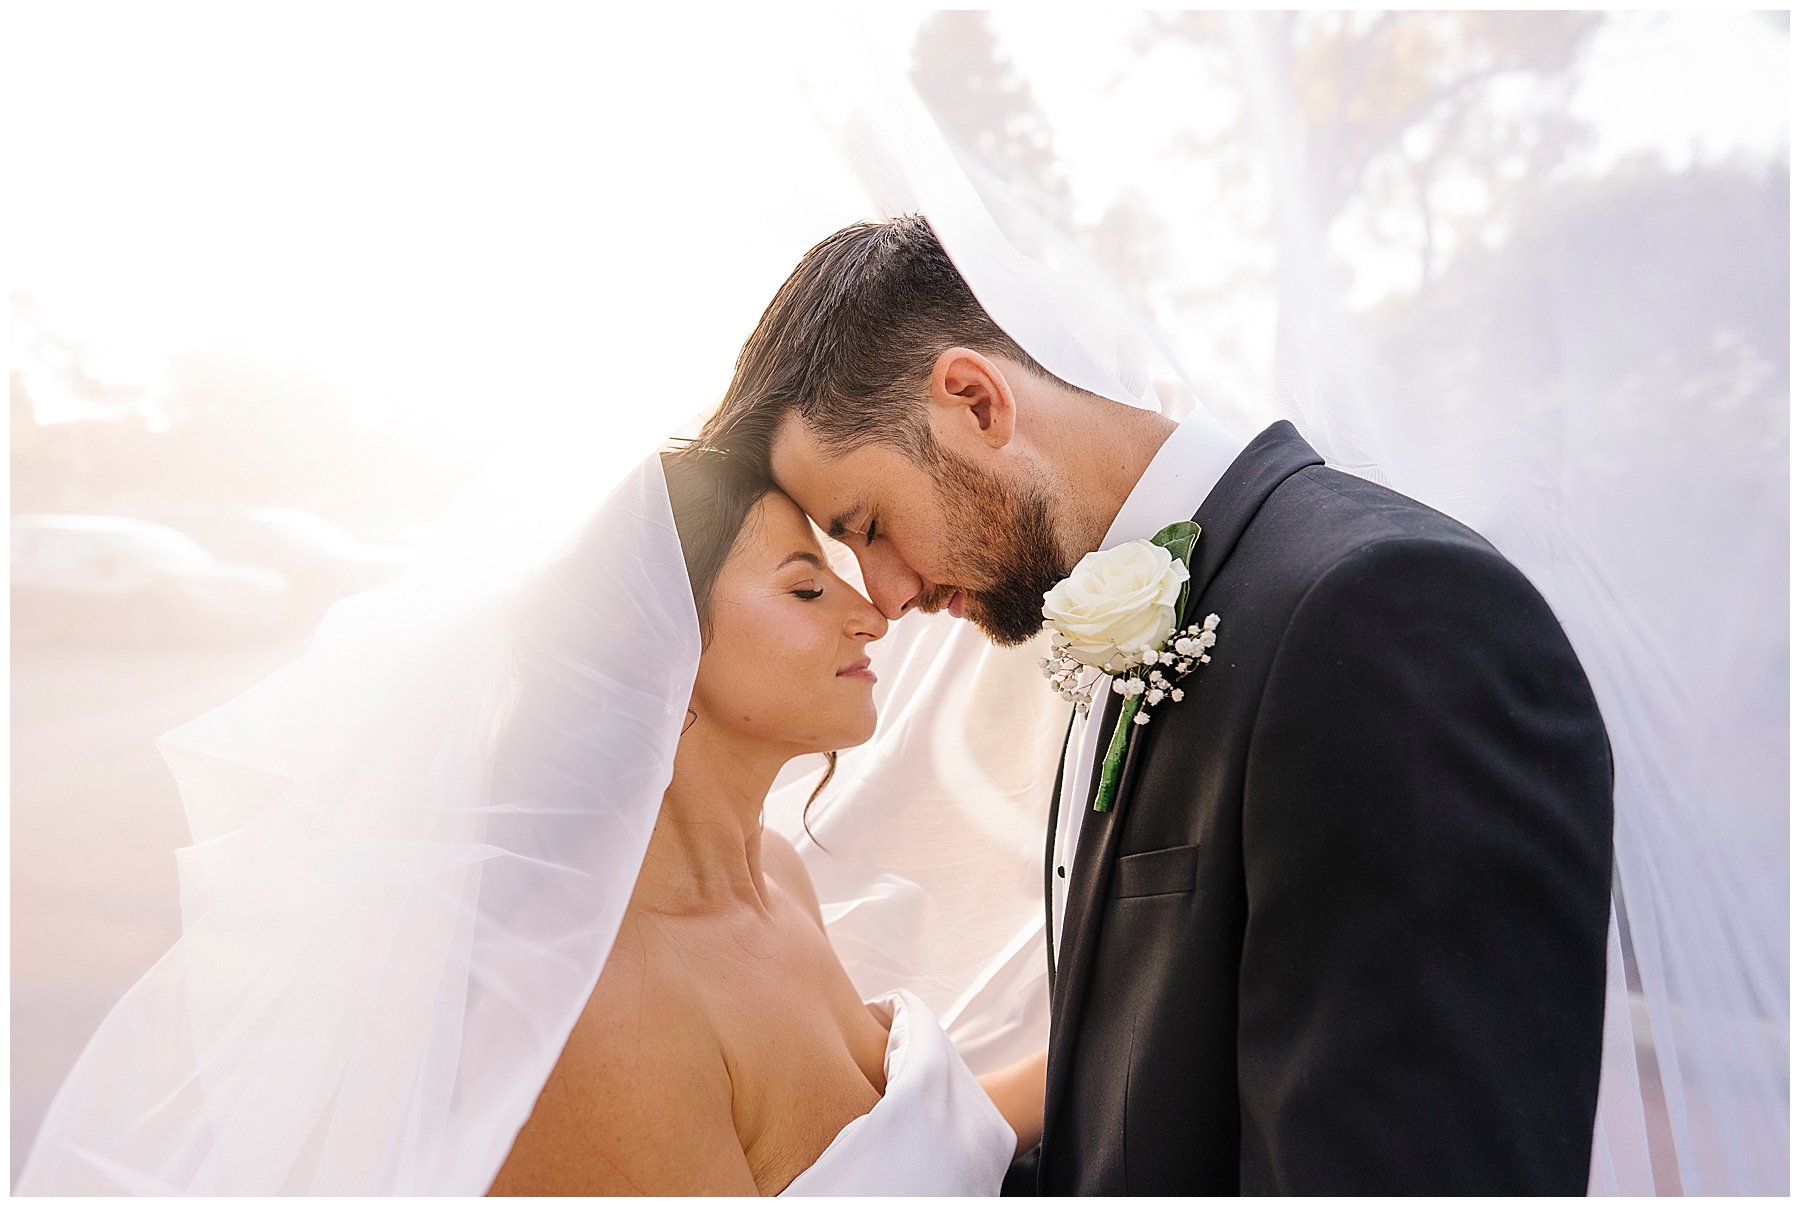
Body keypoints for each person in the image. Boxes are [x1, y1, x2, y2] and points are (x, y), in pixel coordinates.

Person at [699, 213, 1617, 1195]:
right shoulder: (1165, 618)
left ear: (974, 400)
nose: (886, 596)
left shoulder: (1385, 614)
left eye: (871, 525)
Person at [17, 444, 1040, 1196]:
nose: (868, 614)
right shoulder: (605, 1003)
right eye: (807, 587)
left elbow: (916, 1147)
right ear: (659, 652)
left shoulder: (777, 876)